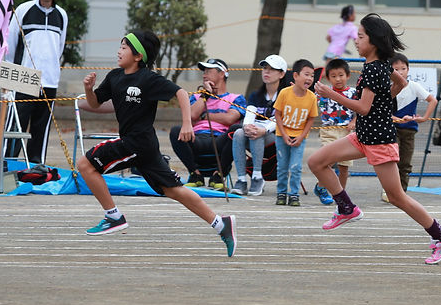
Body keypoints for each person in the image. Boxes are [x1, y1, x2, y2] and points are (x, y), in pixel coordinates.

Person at [310, 13, 441, 265]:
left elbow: (364, 108)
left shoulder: (372, 69)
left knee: (397, 196)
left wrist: (329, 93)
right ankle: (346, 208)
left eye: (360, 36)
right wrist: (383, 102)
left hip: (379, 139)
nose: (355, 41)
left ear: (374, 41)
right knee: (316, 161)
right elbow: (400, 83)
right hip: (364, 135)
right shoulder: (379, 66)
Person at [76, 30, 236, 256]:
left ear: (138, 55)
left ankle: (113, 216)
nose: (118, 51)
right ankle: (221, 224)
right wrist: (88, 89)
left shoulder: (148, 79)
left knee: (85, 164)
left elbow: (180, 93)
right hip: (143, 147)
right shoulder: (114, 76)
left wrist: (187, 124)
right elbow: (94, 103)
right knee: (174, 190)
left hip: (136, 143)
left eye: (124, 47)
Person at [6, 0, 68, 164]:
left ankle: (36, 165)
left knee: (41, 126)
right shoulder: (24, 10)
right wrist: (12, 75)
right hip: (25, 77)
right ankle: (6, 164)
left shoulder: (61, 15)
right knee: (17, 124)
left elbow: (60, 47)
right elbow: (10, 44)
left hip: (49, 79)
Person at [169, 58, 246, 188]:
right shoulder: (197, 97)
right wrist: (206, 95)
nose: (204, 75)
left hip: (220, 140)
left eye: (209, 71)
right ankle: (195, 174)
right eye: (204, 71)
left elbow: (230, 119)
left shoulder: (236, 98)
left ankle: (218, 176)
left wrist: (204, 116)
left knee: (237, 129)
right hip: (197, 139)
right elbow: (192, 115)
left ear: (222, 74)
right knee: (176, 130)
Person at [231, 55, 289, 196]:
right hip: (256, 134)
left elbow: (281, 118)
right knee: (239, 133)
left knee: (257, 134)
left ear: (281, 74)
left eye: (272, 69)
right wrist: (247, 126)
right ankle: (242, 180)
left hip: (277, 137)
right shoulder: (256, 95)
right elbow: (249, 115)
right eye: (264, 68)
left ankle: (257, 177)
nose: (266, 72)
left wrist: (265, 129)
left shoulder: (286, 94)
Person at [385, 53, 437, 201]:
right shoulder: (386, 88)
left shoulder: (414, 86)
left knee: (405, 163)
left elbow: (432, 100)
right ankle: (389, 191)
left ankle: (401, 194)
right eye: (396, 69)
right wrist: (396, 119)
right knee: (391, 160)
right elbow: (381, 110)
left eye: (403, 68)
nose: (400, 72)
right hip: (391, 129)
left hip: (409, 130)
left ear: (408, 69)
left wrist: (424, 118)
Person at [273, 59, 319, 206]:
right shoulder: (284, 93)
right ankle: (281, 193)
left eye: (312, 76)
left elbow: (311, 119)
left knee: (296, 167)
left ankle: (294, 194)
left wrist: (301, 136)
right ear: (295, 76)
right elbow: (278, 114)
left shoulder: (311, 97)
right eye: (306, 74)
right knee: (282, 166)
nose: (309, 79)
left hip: (299, 137)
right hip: (282, 136)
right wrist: (284, 134)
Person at [312, 58, 356, 206]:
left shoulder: (353, 92)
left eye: (341, 75)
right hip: (328, 131)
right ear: (328, 78)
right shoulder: (323, 92)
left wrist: (354, 121)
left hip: (347, 133)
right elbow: (308, 96)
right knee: (328, 162)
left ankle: (341, 197)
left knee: (344, 168)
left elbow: (360, 109)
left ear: (348, 75)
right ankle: (321, 186)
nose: (338, 79)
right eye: (334, 76)